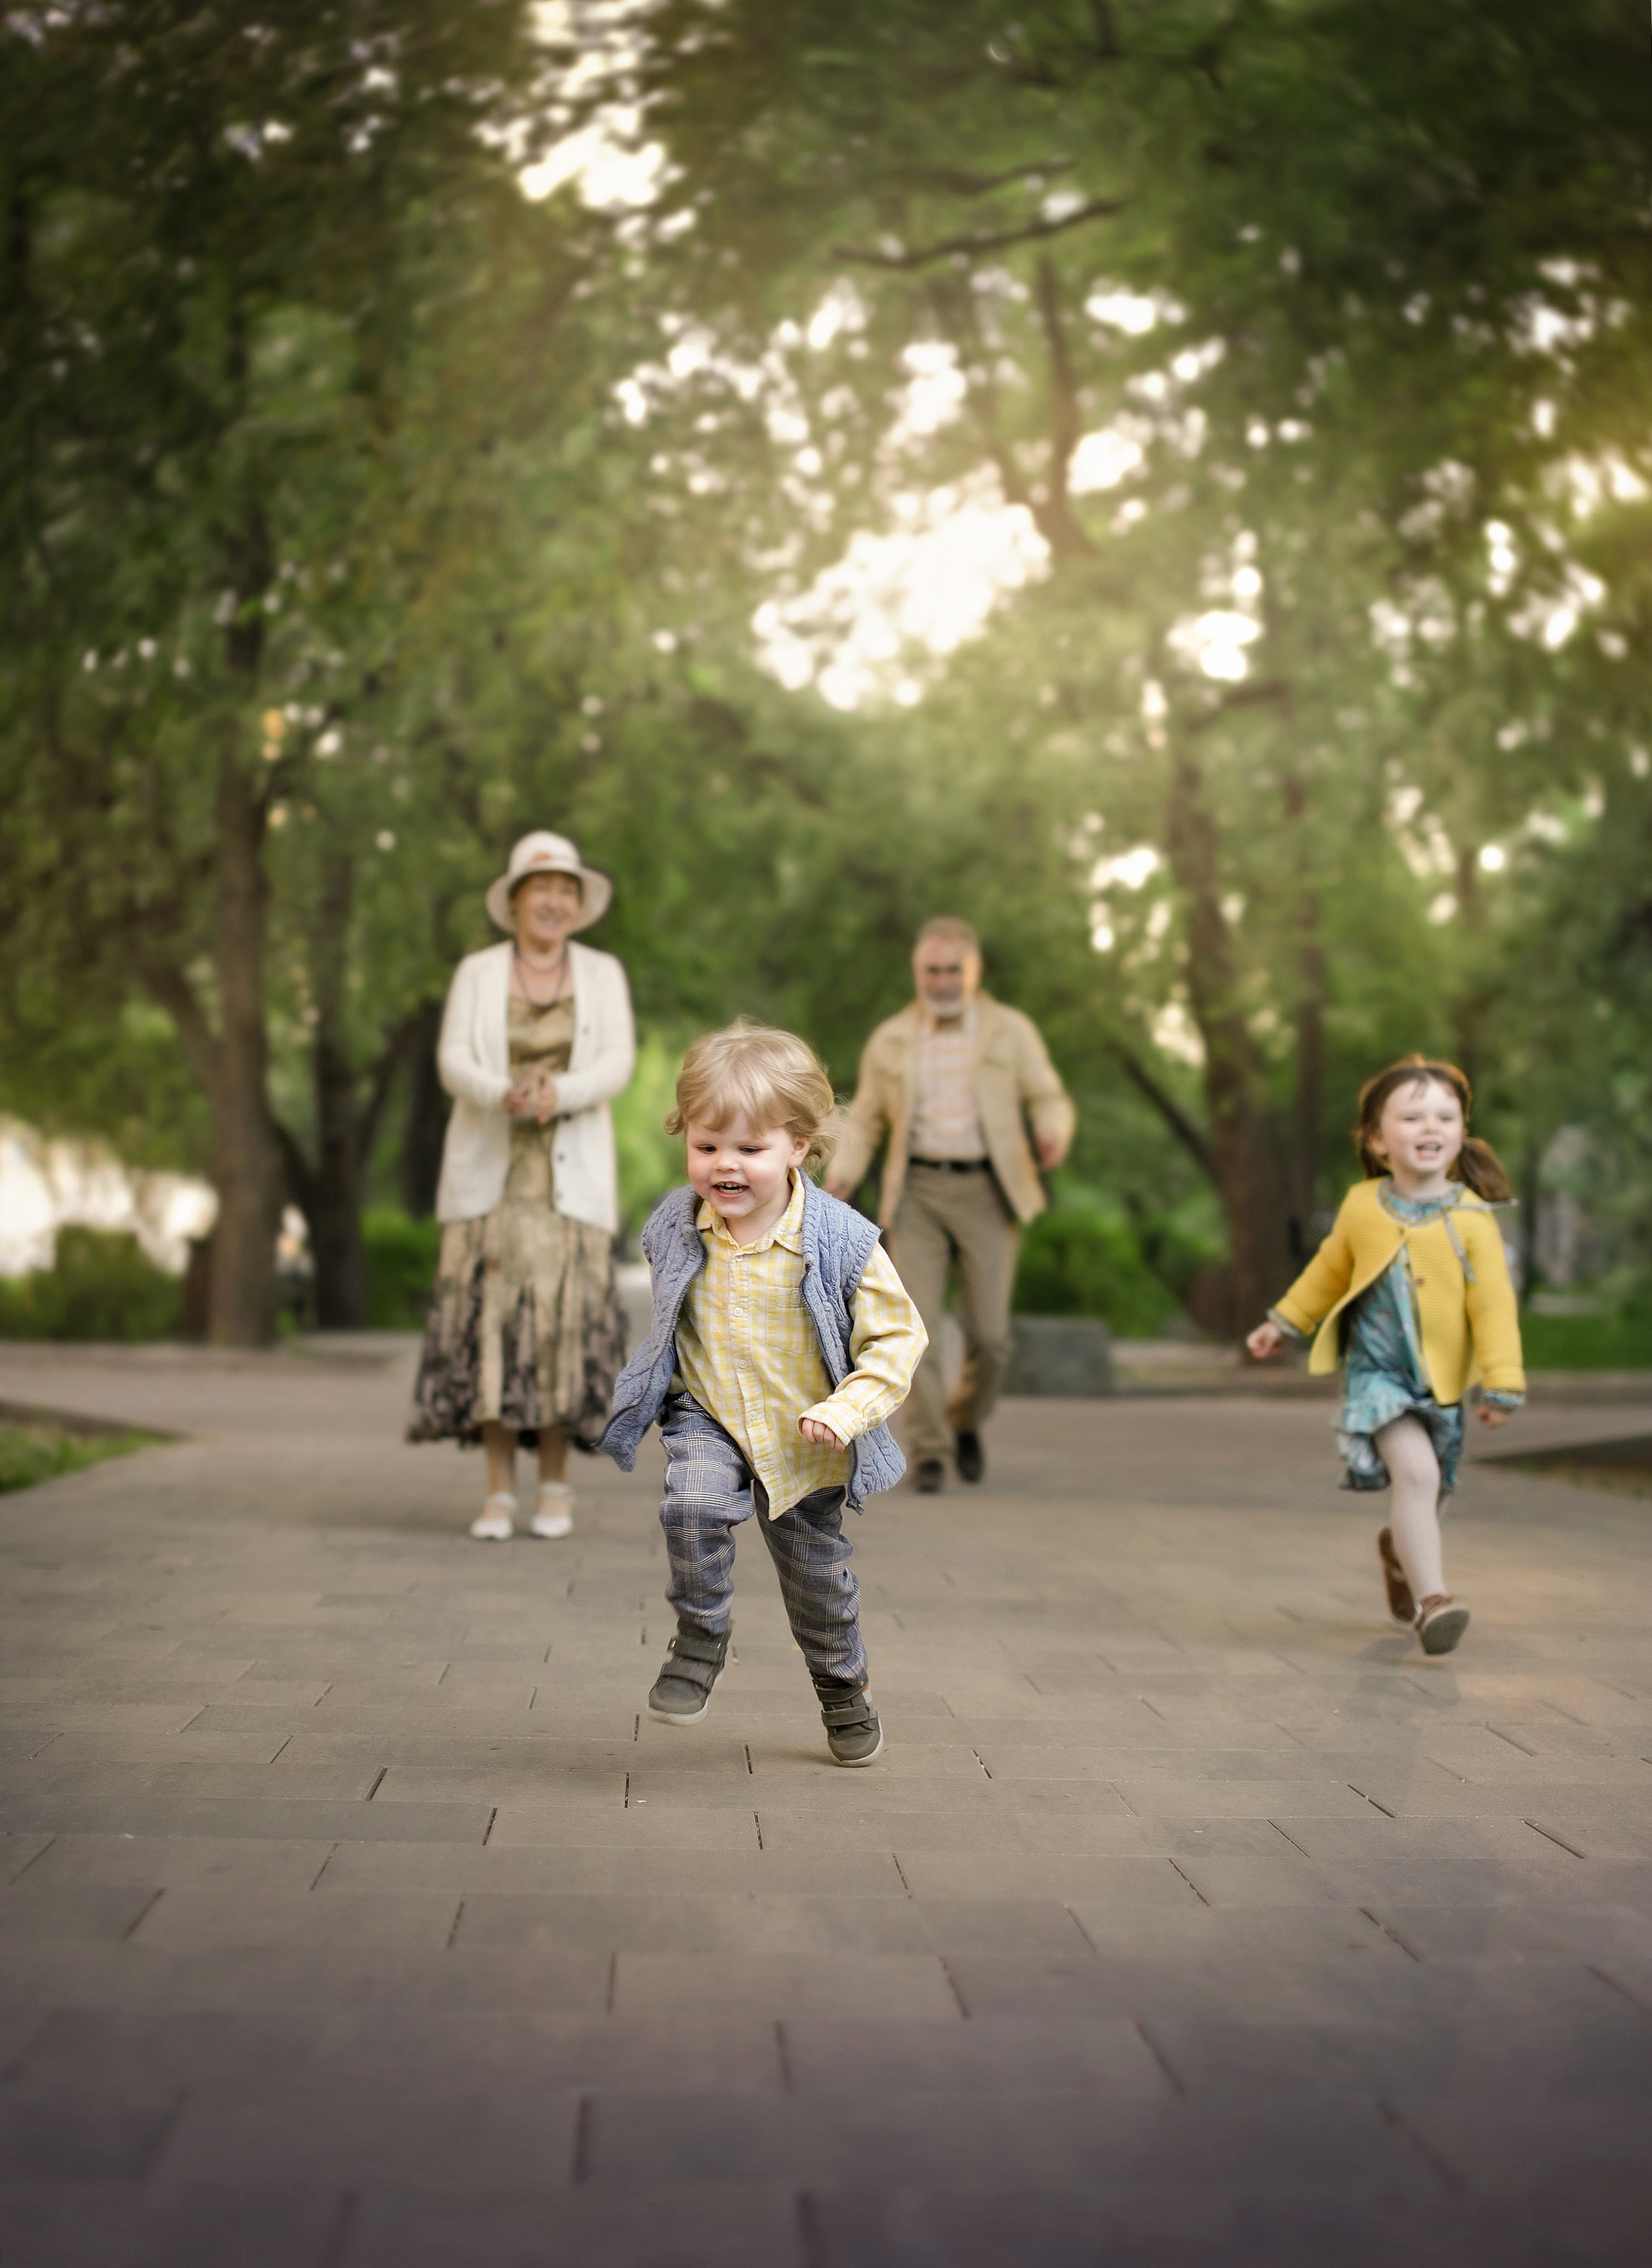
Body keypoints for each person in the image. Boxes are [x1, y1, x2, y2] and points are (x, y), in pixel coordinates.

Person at [601, 1023, 927, 1767]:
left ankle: (843, 1688)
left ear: (799, 1148)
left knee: (818, 1585)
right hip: (708, 1416)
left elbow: (899, 1340)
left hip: (803, 1437)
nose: (725, 1165)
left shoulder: (843, 1240)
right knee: (689, 1505)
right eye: (707, 1145)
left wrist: (844, 1411)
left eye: (750, 1149)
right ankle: (700, 1637)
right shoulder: (676, 1224)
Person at [1246, 1056, 1525, 1656]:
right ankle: (1434, 1603)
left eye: (1446, 1116)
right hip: (1379, 1376)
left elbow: (1495, 1307)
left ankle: (1399, 1557)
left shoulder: (1473, 1218)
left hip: (1443, 1382)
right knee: (1418, 1476)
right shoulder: (1362, 1205)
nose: (1432, 1126)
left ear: (1461, 1131)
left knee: (1434, 1489)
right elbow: (1327, 1270)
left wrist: (1503, 1382)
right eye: (1414, 1115)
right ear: (1377, 1139)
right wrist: (1284, 1321)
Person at [409, 830, 635, 1541]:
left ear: (578, 904)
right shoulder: (477, 971)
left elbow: (618, 1062)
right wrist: (500, 1091)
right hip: (490, 1183)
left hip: (571, 1189)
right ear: (514, 900)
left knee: (559, 1329)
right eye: (541, 887)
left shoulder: (602, 972)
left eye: (566, 889)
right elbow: (451, 1058)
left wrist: (558, 1091)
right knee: (491, 1327)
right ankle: (498, 1492)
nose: (554, 900)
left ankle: (557, 1486)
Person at [825, 916, 1074, 1493]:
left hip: (990, 1191)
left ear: (974, 971)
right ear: (918, 973)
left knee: (990, 1337)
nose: (942, 981)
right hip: (916, 1194)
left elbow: (1047, 1095)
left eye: (953, 970)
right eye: (932, 970)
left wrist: (1052, 1129)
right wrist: (843, 1169)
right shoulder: (891, 1039)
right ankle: (930, 1447)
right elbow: (863, 1118)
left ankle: (963, 1421)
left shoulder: (1009, 1032)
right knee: (917, 1325)